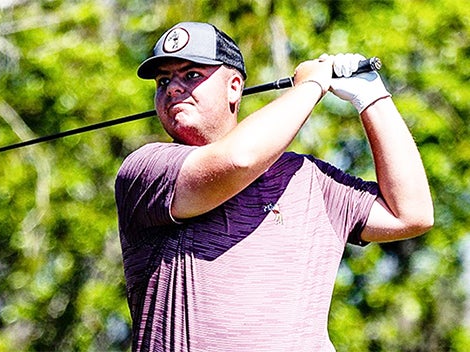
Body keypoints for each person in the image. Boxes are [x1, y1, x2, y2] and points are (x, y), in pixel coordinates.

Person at [114, 21, 433, 351]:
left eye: (191, 75)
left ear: (234, 86)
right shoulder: (147, 169)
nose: (173, 88)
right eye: (163, 80)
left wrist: (372, 96)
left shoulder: (308, 179)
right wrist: (310, 87)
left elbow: (411, 213)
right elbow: (239, 159)